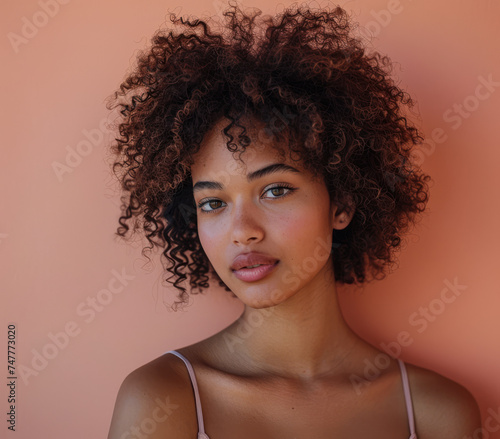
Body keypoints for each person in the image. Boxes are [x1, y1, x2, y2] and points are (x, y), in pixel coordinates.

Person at [105, 2, 482, 438]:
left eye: (275, 190)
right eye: (213, 203)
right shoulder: (164, 399)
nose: (243, 229)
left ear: (340, 203)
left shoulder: (438, 412)